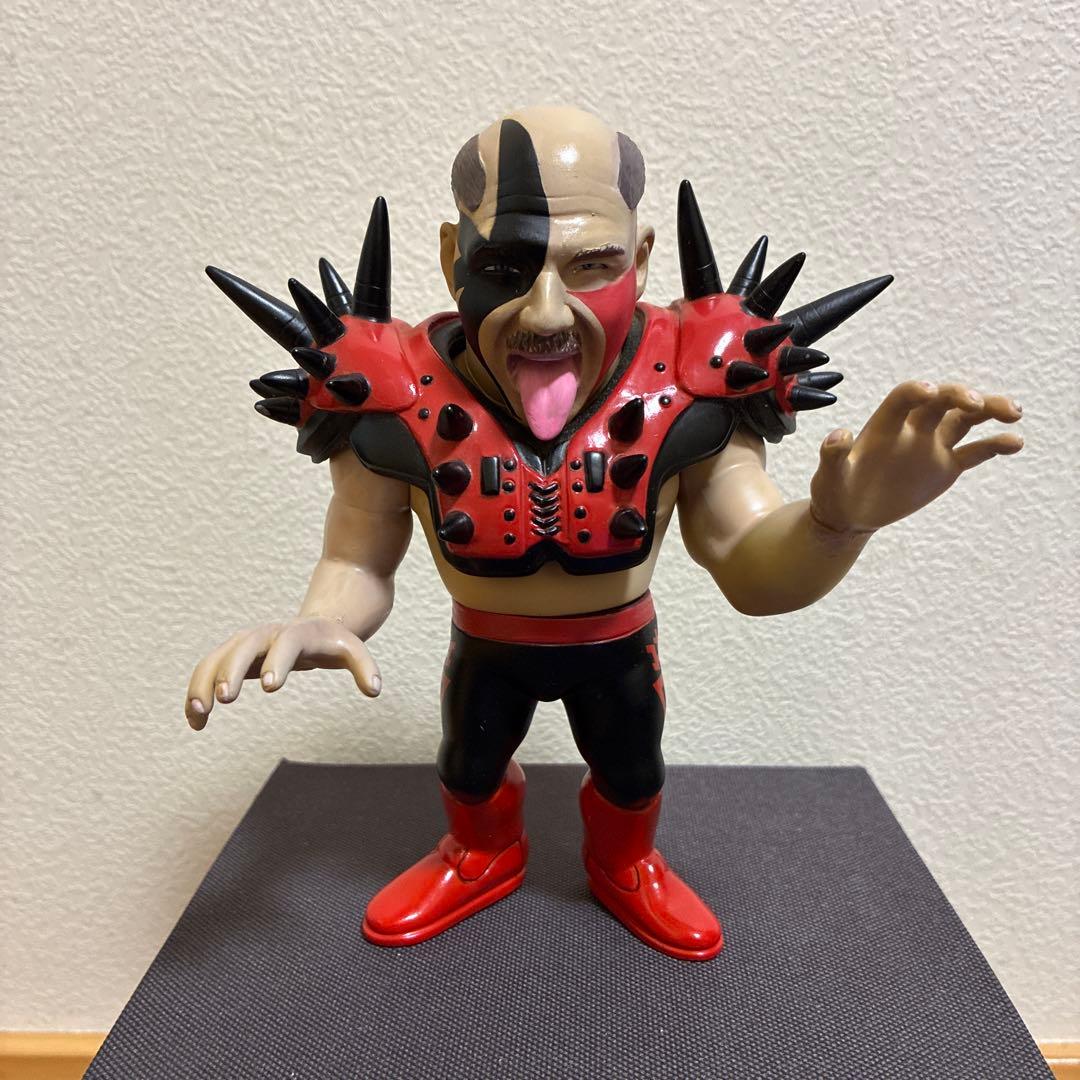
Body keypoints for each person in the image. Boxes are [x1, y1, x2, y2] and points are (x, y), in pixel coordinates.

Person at [186, 106, 1023, 961]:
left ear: (643, 257)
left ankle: (626, 863)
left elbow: (750, 564)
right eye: (505, 267)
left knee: (632, 770)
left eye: (592, 266)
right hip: (486, 646)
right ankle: (481, 852)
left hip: (617, 648)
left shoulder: (696, 385)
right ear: (450, 258)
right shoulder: (392, 395)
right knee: (468, 764)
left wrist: (838, 523)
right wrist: (321, 620)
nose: (547, 314)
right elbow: (356, 558)